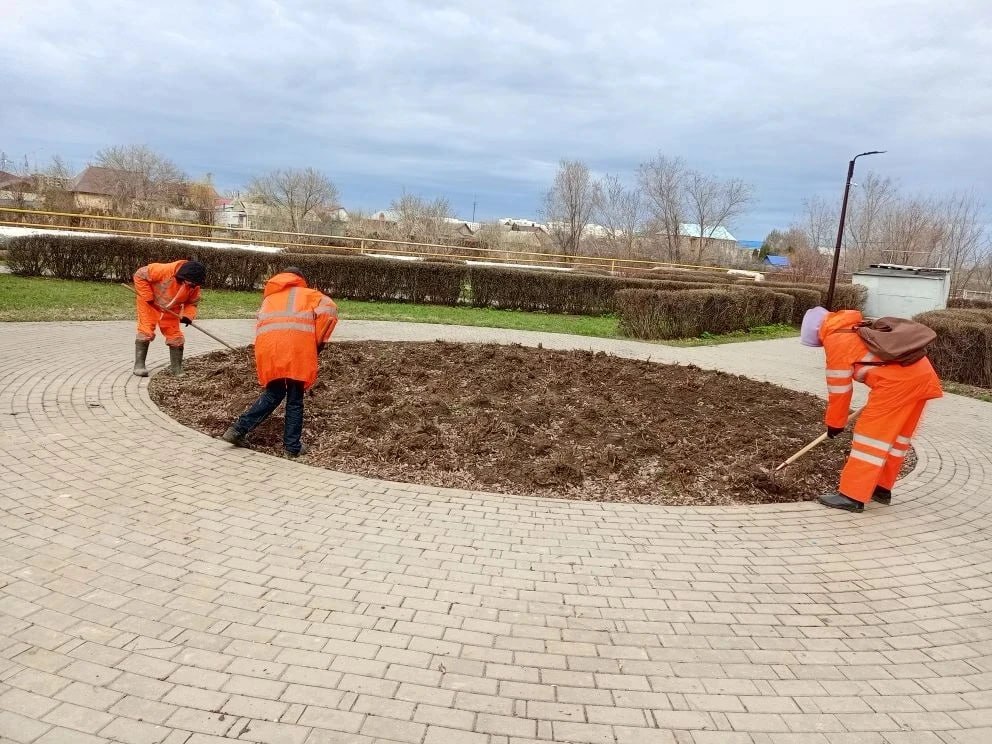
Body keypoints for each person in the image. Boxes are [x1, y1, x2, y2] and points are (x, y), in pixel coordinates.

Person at [800, 306, 943, 512]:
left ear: (817, 333)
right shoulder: (855, 326)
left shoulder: (836, 341)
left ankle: (852, 496)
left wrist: (835, 423)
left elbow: (840, 390)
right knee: (898, 439)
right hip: (922, 377)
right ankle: (881, 488)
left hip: (896, 387)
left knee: (870, 439)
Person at [221, 267, 338, 457]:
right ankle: (292, 447)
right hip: (297, 351)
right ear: (300, 280)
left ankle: (237, 429)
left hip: (269, 350)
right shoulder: (310, 295)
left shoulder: (269, 299)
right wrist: (318, 341)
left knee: (274, 392)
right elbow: (330, 309)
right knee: (294, 398)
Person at [133, 259, 207, 377]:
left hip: (171, 309)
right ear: (182, 275)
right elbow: (140, 275)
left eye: (193, 284)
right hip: (149, 304)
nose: (190, 285)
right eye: (188, 282)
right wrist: (147, 296)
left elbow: (192, 303)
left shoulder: (194, 285)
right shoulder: (165, 270)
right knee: (146, 331)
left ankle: (176, 369)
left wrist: (188, 316)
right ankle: (139, 365)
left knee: (175, 336)